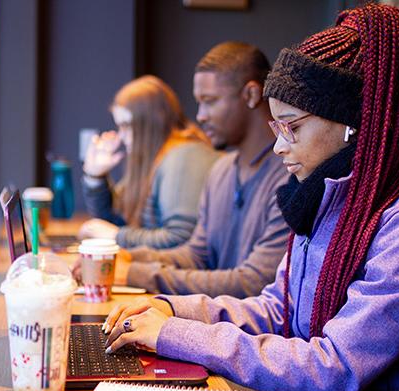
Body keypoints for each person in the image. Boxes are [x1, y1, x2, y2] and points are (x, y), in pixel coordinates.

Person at [101, 4, 399, 391]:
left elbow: (335, 368)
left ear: (355, 126)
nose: (279, 147)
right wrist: (173, 310)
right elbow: (277, 311)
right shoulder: (328, 201)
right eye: (276, 127)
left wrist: (176, 334)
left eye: (293, 128)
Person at [111, 42, 290, 297]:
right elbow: (197, 254)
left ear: (251, 95)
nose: (201, 115)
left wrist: (134, 273)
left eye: (209, 101)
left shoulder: (290, 175)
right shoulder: (221, 170)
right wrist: (127, 257)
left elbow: (254, 282)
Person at [79, 75, 219, 249]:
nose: (122, 136)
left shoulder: (184, 156)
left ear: (151, 122)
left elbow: (181, 240)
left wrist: (117, 236)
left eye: (126, 125)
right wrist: (96, 177)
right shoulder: (154, 157)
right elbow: (116, 221)